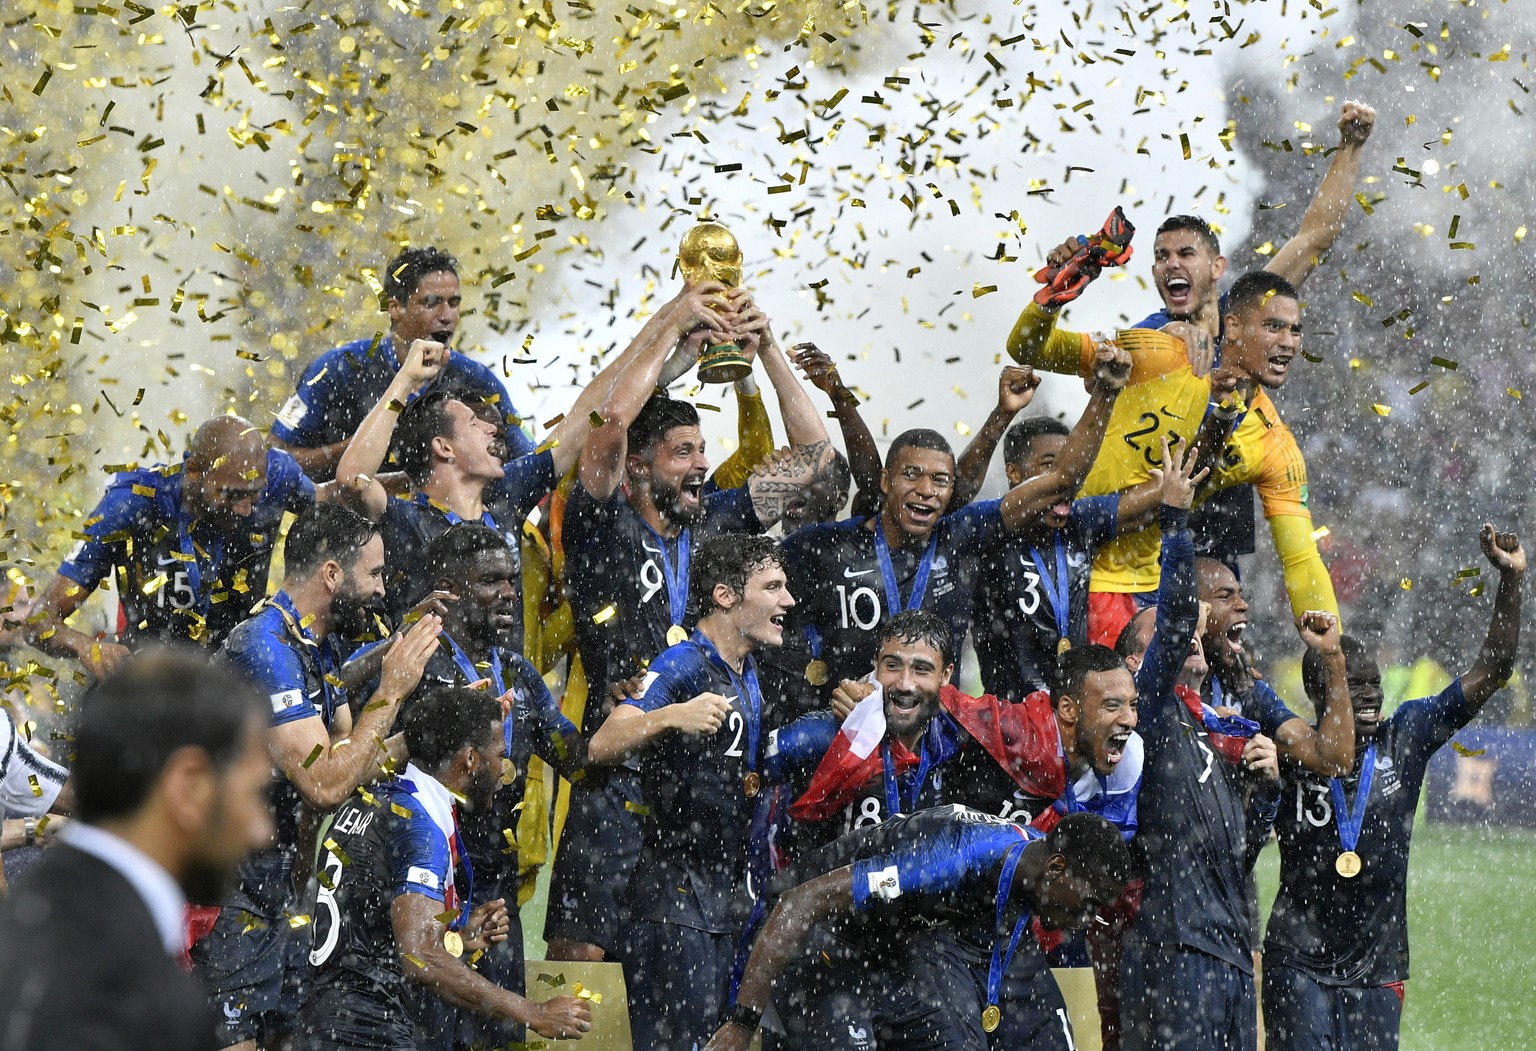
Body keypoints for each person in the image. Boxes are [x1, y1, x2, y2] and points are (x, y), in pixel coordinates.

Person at [547, 282, 836, 961]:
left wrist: (766, 353)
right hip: (619, 769)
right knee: (581, 963)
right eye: (683, 451)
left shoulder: (718, 525)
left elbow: (820, 464)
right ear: (640, 464)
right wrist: (675, 325)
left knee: (686, 970)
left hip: (699, 782)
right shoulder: (599, 524)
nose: (702, 463)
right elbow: (608, 423)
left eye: (702, 449)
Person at [1030, 102, 1376, 577]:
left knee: (1222, 621)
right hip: (1147, 529)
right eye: (1161, 257)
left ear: (1216, 268)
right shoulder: (1150, 336)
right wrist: (1053, 296)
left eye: (1186, 254)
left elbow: (1315, 237)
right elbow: (1092, 387)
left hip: (1217, 519)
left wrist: (1350, 149)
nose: (1172, 264)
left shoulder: (1250, 311)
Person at [1264, 525, 1524, 1051]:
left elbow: (1493, 668)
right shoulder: (1295, 749)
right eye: (1353, 685)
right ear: (1321, 692)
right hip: (1298, 962)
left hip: (1378, 970)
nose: (1369, 696)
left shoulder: (1405, 735)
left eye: (1373, 684)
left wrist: (1512, 580)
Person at [195, 504, 442, 1051]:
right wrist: (393, 688)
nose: (383, 590)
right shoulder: (265, 647)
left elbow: (350, 759)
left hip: (278, 888)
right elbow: (325, 783)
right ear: (332, 574)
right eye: (375, 574)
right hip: (223, 891)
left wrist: (430, 731)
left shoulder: (314, 643)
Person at [779, 342, 1131, 705]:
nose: (926, 490)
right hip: (850, 729)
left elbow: (1062, 480)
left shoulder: (960, 538)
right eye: (911, 475)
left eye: (940, 480)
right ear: (887, 482)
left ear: (951, 491)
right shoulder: (825, 546)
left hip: (941, 740)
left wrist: (1106, 391)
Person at [1116, 503, 1348, 1051]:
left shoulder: (1235, 704)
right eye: (1224, 596)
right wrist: (1175, 518)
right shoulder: (1150, 707)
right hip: (1174, 941)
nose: (1242, 603)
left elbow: (1240, 852)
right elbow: (1170, 630)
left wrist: (1265, 790)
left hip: (1230, 944)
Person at [1007, 269, 1339, 648]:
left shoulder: (1272, 444)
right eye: (1274, 326)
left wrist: (1333, 652)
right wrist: (1053, 299)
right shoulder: (1161, 352)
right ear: (1232, 327)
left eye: (1295, 330)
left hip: (1148, 590)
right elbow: (1030, 347)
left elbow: (1301, 559)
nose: (1288, 342)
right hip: (1063, 565)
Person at [0, 650, 274, 1051]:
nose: (261, 831)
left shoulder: (44, 914)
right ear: (188, 785)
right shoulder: (126, 991)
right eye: (251, 793)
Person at [582, 533, 793, 1051]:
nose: (788, 601)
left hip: (723, 902)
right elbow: (601, 744)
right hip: (672, 906)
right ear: (726, 596)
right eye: (773, 587)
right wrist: (672, 715)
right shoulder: (681, 665)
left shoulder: (748, 669)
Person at [298, 686, 592, 1049]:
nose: (503, 771)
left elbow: (371, 925)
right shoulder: (419, 825)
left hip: (323, 1022)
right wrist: (535, 1013)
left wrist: (459, 934)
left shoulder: (374, 799)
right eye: (499, 755)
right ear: (470, 759)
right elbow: (420, 957)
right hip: (369, 1031)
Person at [701, 807, 1135, 1051]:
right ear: (1056, 869)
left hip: (893, 951)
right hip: (821, 940)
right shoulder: (947, 861)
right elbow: (799, 902)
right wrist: (742, 1023)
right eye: (1091, 902)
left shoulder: (1034, 859)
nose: (1090, 919)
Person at [335, 320, 662, 629]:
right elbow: (352, 479)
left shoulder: (504, 496)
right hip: (441, 689)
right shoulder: (405, 523)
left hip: (513, 685)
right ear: (444, 448)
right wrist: (406, 380)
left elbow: (589, 413)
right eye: (475, 424)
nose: (492, 428)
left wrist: (675, 320)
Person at [399, 523, 588, 1048]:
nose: (509, 593)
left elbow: (577, 758)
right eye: (490, 581)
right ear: (448, 590)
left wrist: (649, 712)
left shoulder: (519, 673)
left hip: (496, 888)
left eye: (510, 580)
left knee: (499, 1035)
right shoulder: (410, 664)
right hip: (425, 880)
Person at [26, 416, 323, 674]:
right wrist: (85, 646)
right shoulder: (132, 503)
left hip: (243, 673)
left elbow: (334, 516)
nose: (245, 509)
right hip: (156, 680)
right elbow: (39, 621)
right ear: (193, 470)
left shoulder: (279, 475)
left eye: (254, 494)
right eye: (231, 494)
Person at [271, 246, 533, 481]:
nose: (446, 316)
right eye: (431, 303)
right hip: (349, 525)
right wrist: (356, 446)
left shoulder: (475, 379)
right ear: (396, 308)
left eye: (453, 303)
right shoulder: (338, 369)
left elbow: (529, 461)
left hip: (442, 528)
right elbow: (271, 459)